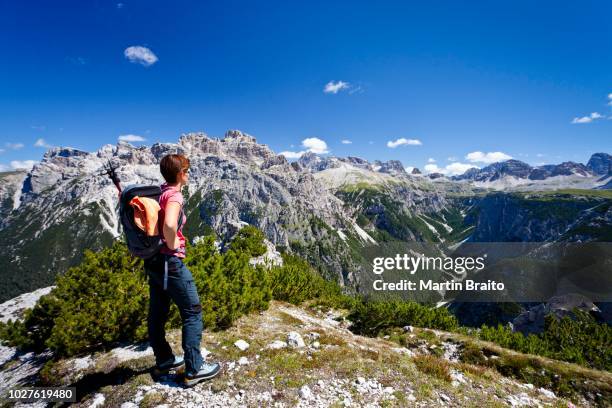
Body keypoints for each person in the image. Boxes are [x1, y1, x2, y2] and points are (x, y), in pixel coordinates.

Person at [143, 153, 221, 386]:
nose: (188, 174)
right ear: (179, 174)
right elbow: (168, 224)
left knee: (157, 313)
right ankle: (194, 368)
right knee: (192, 312)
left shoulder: (160, 191)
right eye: (186, 171)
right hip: (171, 263)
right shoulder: (175, 195)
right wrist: (173, 243)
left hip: (155, 262)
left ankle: (165, 360)